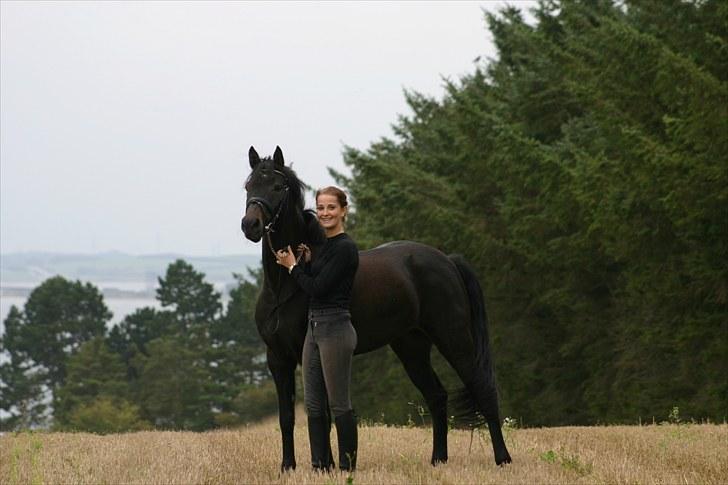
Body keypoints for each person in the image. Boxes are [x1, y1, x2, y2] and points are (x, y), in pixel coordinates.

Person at [275, 186, 359, 472]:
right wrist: (307, 263)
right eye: (320, 207)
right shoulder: (323, 247)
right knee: (313, 403)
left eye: (331, 208)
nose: (324, 213)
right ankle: (320, 466)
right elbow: (315, 280)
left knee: (339, 404)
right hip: (314, 329)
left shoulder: (346, 248)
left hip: (336, 327)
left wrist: (292, 267)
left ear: (343, 210)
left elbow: (318, 289)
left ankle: (347, 469)